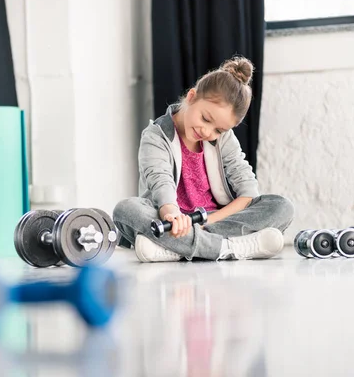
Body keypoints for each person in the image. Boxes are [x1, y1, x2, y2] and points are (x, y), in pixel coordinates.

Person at [113, 56, 294, 262]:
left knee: (282, 207)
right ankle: (229, 248)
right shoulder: (156, 135)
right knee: (126, 211)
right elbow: (160, 181)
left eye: (219, 129)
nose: (207, 132)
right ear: (191, 97)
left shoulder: (225, 139)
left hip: (212, 221)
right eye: (206, 119)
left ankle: (176, 249)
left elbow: (248, 193)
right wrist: (173, 215)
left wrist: (203, 224)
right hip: (169, 219)